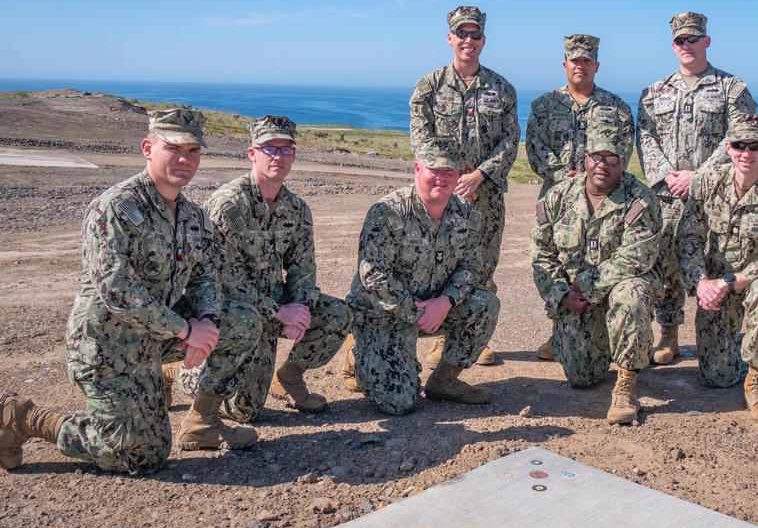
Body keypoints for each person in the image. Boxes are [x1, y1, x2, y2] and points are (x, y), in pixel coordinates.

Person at [2, 109, 260, 475]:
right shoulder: (115, 208)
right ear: (147, 149)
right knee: (142, 455)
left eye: (193, 150)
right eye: (173, 148)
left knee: (242, 322)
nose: (185, 159)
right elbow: (119, 291)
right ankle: (26, 417)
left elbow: (205, 276)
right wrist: (187, 331)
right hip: (108, 345)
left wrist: (207, 323)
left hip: (157, 335)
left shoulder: (193, 216)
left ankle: (202, 421)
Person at [165, 115, 353, 422]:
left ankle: (289, 377)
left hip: (274, 305)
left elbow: (303, 268)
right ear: (252, 153)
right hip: (236, 312)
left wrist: (302, 308)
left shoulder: (296, 209)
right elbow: (220, 279)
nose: (278, 157)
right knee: (245, 411)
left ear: (294, 155)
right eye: (270, 149)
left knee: (338, 315)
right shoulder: (228, 205)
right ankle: (176, 370)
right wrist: (278, 312)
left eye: (286, 149)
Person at [636, 12, 758, 366]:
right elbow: (644, 137)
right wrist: (667, 176)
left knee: (723, 261)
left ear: (707, 41)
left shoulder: (731, 88)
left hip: (717, 195)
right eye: (680, 40)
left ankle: (739, 335)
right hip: (667, 194)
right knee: (666, 262)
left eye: (693, 39)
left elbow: (740, 136)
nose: (686, 45)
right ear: (672, 45)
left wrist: (699, 177)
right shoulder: (654, 92)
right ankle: (669, 333)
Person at [345, 139, 500, 416]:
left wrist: (446, 302)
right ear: (417, 169)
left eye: (449, 172)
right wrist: (416, 313)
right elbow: (373, 275)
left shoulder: (467, 214)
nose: (441, 178)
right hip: (385, 313)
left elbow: (471, 268)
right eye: (434, 170)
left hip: (435, 307)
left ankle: (444, 382)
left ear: (458, 176)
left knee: (485, 303)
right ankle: (357, 345)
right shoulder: (388, 212)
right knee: (401, 402)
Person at [675, 114, 758, 425]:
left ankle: (757, 381)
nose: (747, 153)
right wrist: (701, 283)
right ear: (728, 148)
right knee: (716, 377)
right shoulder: (707, 183)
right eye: (740, 145)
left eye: (755, 146)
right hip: (717, 286)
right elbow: (688, 239)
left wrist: (729, 282)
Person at [409, 5, 519, 368]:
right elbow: (420, 137)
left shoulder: (502, 88)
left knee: (483, 265)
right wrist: (454, 176)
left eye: (475, 34)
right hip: (442, 194)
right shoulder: (429, 86)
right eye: (462, 33)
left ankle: (477, 339)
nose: (468, 40)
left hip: (484, 195)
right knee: (439, 265)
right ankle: (438, 340)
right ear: (450, 38)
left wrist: (481, 176)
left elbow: (510, 139)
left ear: (483, 40)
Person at [530, 126, 662, 424]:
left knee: (632, 295)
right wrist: (561, 294)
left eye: (612, 159)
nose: (603, 165)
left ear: (623, 161)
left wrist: (587, 285)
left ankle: (627, 382)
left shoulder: (640, 199)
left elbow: (638, 255)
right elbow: (541, 253)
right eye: (596, 157)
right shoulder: (558, 197)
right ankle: (607, 346)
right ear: (585, 159)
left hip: (617, 289)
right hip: (575, 299)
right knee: (582, 377)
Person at [525, 34, 634, 361]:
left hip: (603, 200)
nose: (580, 66)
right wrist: (565, 177)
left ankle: (606, 332)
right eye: (575, 60)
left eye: (587, 61)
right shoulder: (544, 106)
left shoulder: (616, 108)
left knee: (600, 261)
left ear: (596, 65)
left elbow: (623, 152)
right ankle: (559, 330)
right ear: (565, 64)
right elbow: (535, 149)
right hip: (558, 200)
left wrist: (593, 179)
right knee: (557, 261)